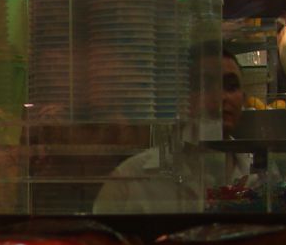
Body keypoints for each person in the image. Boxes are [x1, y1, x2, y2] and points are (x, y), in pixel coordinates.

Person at [90, 49, 249, 214]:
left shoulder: (258, 177)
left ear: (244, 98)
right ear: (182, 98)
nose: (221, 97)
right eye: (205, 86)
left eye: (231, 86)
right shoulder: (130, 179)